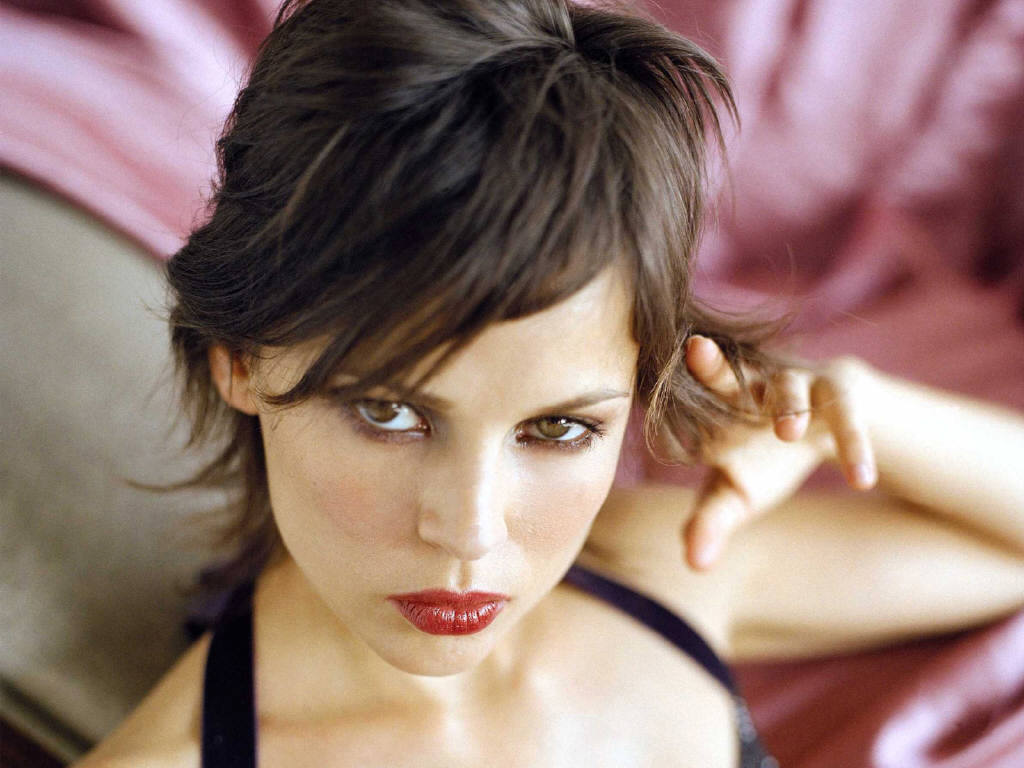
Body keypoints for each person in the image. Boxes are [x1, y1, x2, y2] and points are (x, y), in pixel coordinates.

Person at [74, 0, 1024, 766]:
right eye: (389, 412)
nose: (471, 532)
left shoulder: (653, 574)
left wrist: (858, 408)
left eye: (559, 429)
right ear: (239, 360)